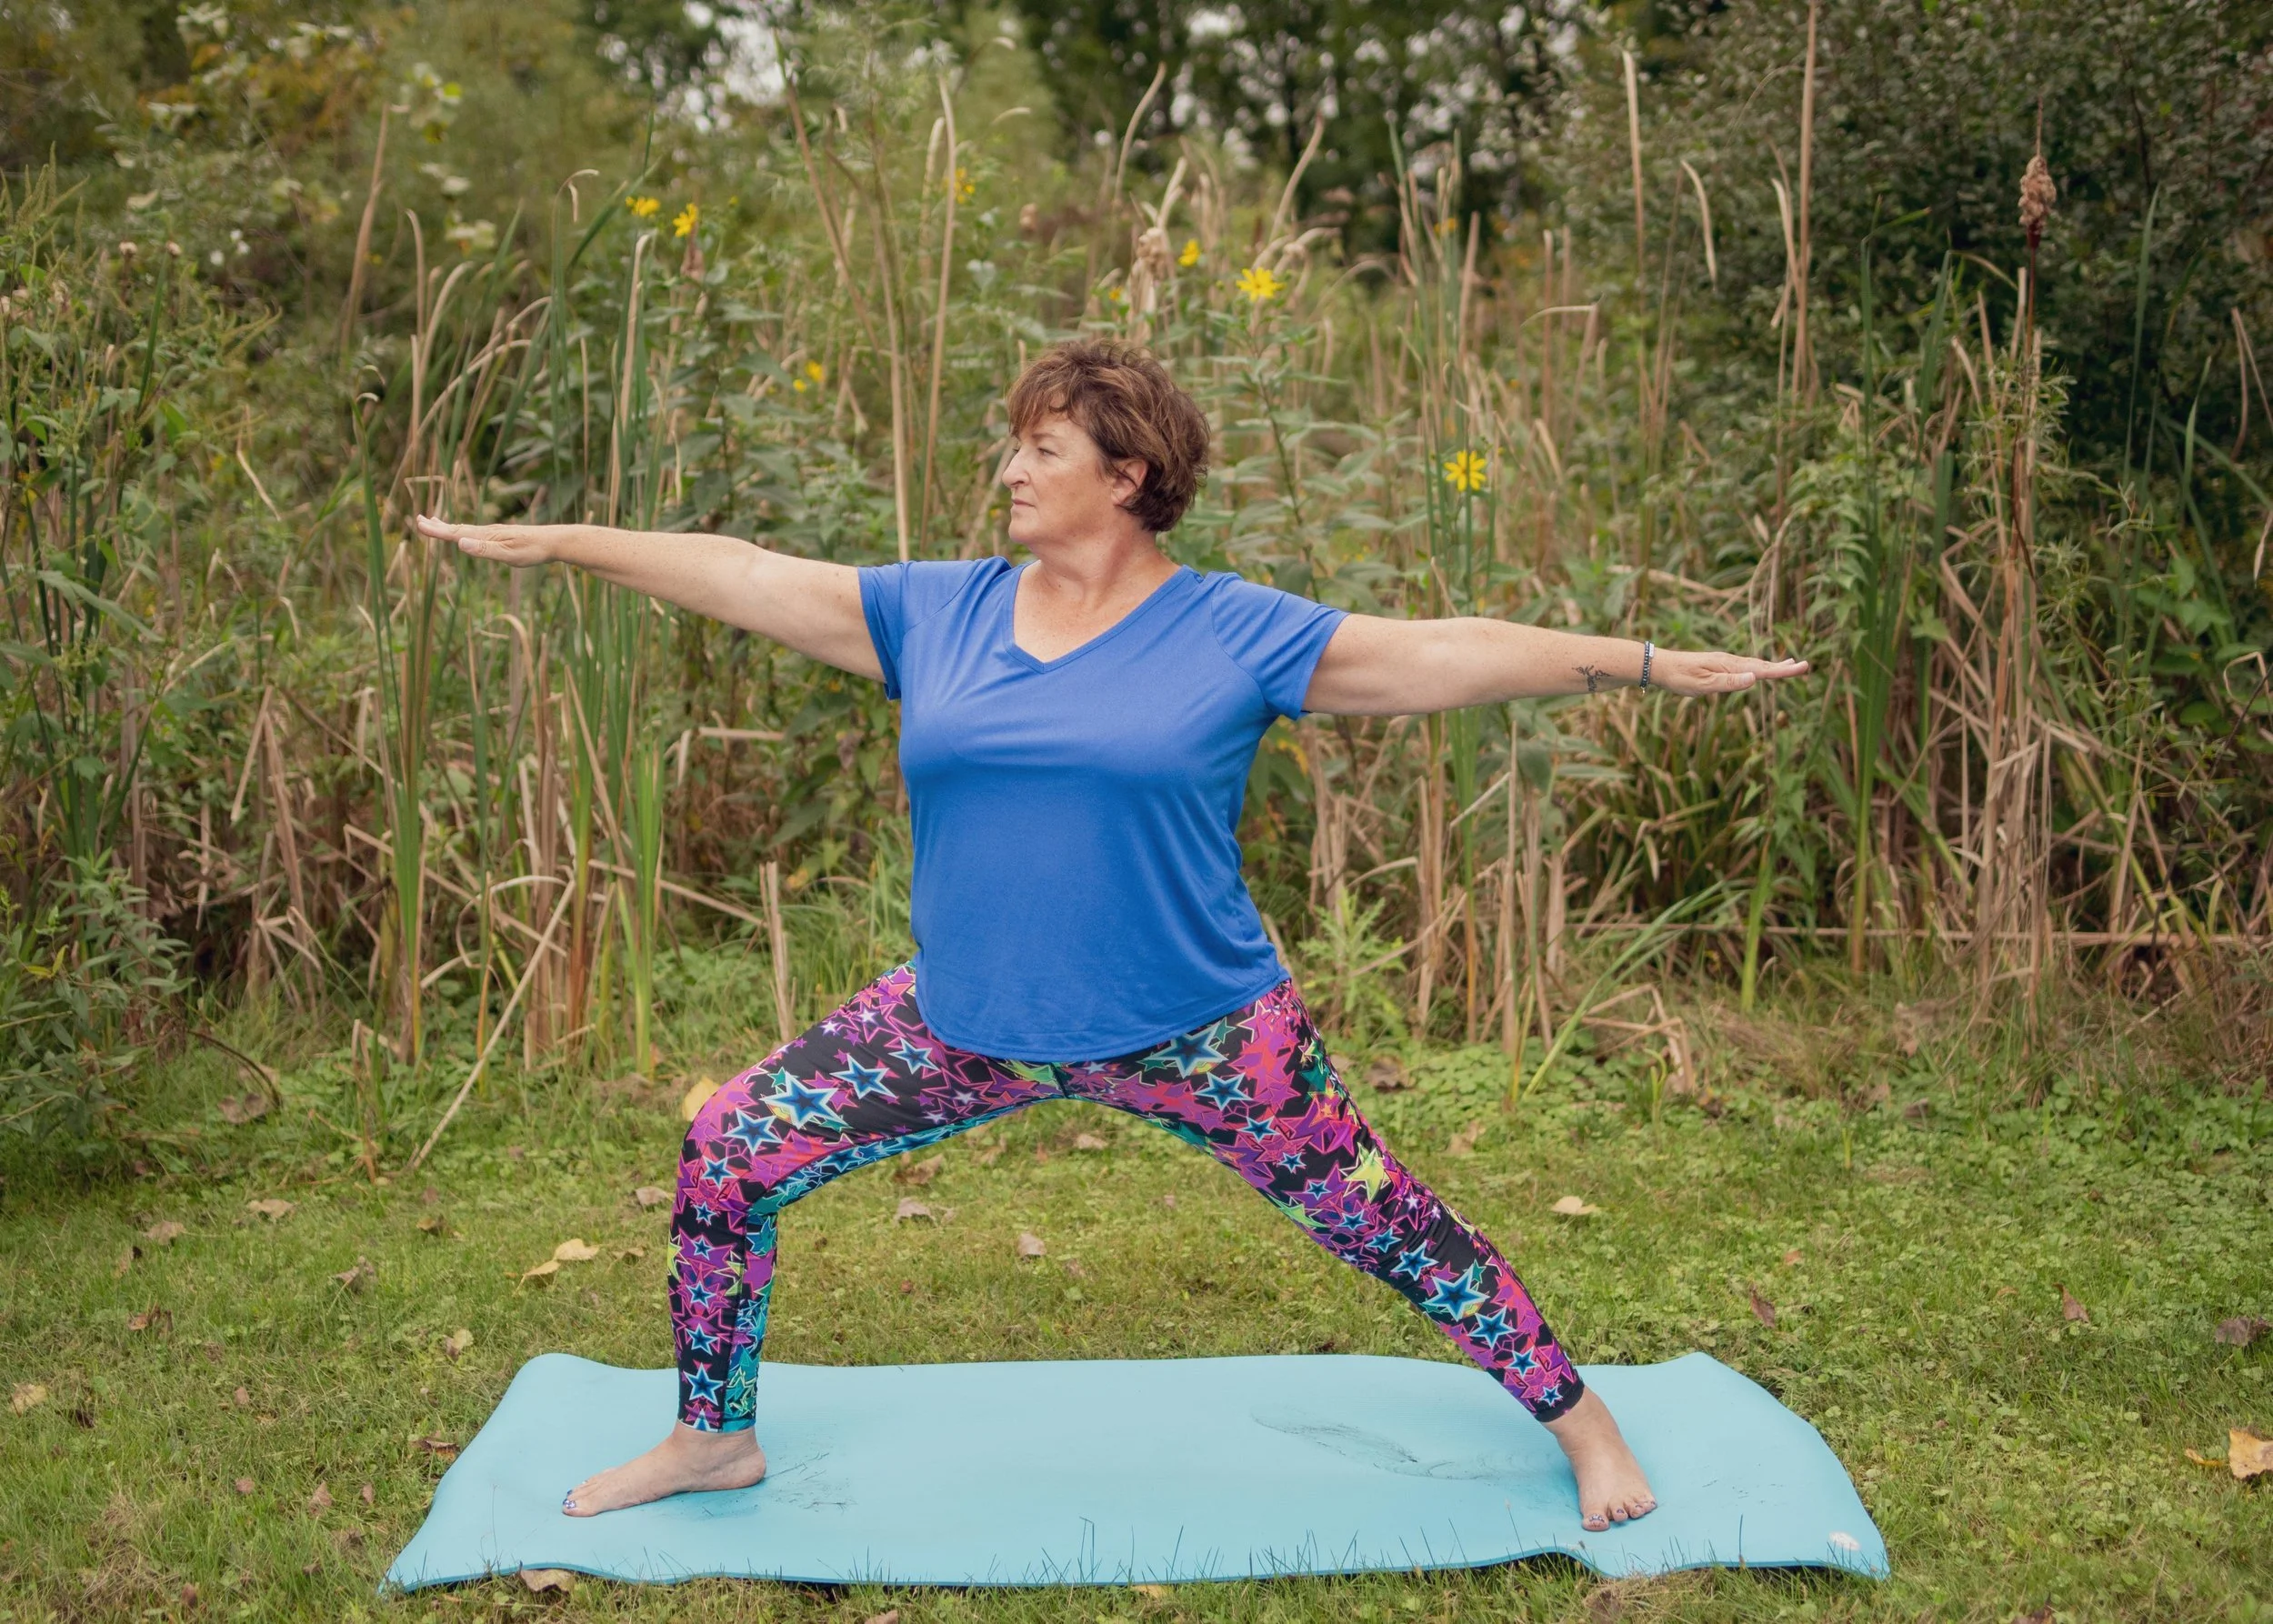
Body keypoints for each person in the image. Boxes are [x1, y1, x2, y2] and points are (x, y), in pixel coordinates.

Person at [416, 338, 1807, 1533]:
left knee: (1386, 1221)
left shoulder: (1232, 630)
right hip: (961, 1024)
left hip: (1201, 1030)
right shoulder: (937, 612)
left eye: (1042, 449)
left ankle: (1583, 1424)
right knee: (728, 1147)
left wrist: (1642, 663)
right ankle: (713, 1436)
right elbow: (740, 568)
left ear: (1128, 474)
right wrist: (562, 541)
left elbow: (1444, 649)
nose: (1010, 471)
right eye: (1013, 447)